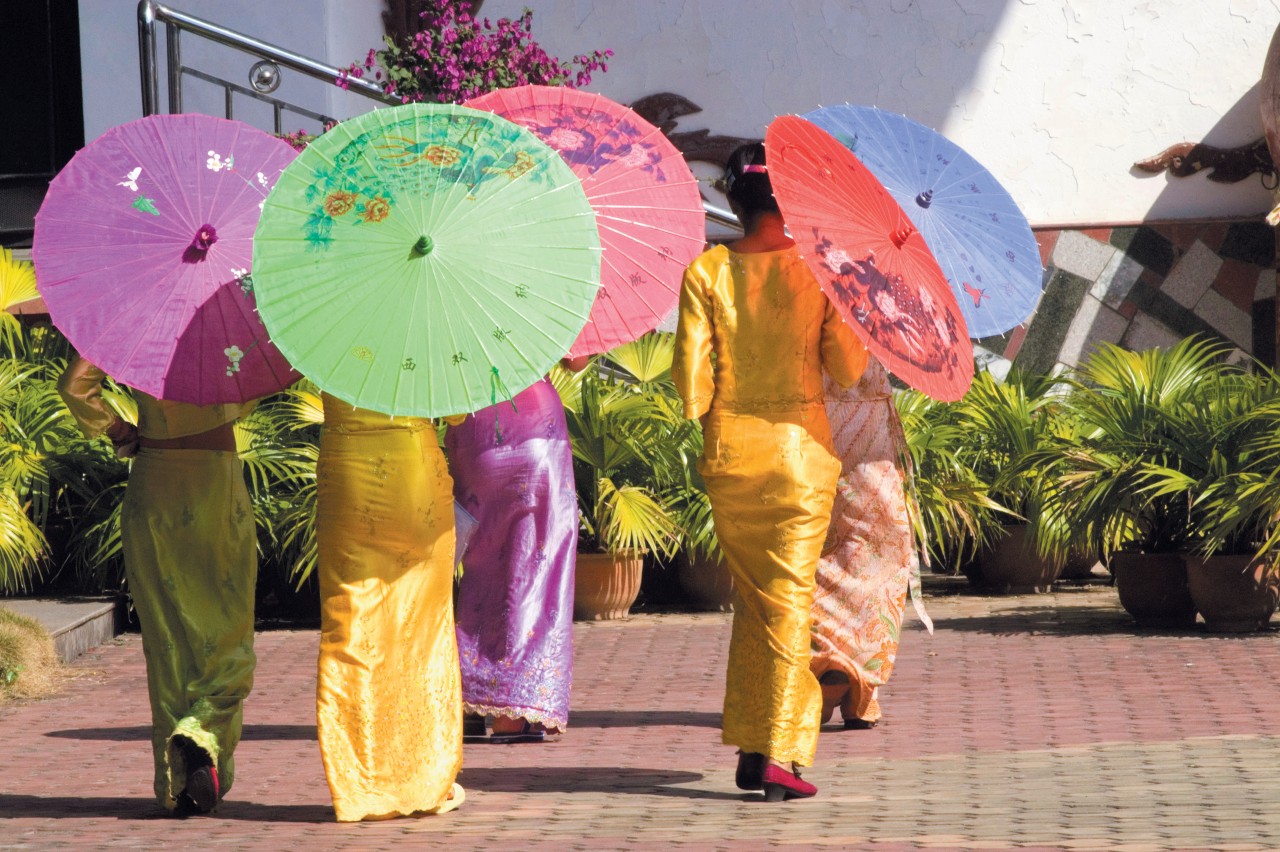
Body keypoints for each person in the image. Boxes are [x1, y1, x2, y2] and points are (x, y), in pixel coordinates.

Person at [672, 142, 868, 803]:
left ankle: (756, 746)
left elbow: (690, 388)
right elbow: (848, 369)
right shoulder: (819, 272)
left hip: (731, 457)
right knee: (786, 606)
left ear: (732, 198)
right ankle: (782, 751)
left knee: (760, 604)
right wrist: (848, 299)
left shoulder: (706, 271)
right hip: (797, 458)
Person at [58, 357, 258, 816]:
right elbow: (254, 390)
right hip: (214, 484)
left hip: (154, 485)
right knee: (227, 635)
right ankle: (198, 730)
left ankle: (179, 781)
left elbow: (73, 385)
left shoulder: (135, 315)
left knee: (167, 642)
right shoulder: (231, 318)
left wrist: (117, 429)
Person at [314, 393, 464, 821]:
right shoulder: (426, 324)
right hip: (414, 470)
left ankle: (357, 785)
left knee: (350, 627)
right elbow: (455, 410)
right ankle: (424, 777)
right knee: (423, 629)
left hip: (346, 468)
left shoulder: (322, 324)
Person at [446, 373, 577, 744]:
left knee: (479, 562)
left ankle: (469, 701)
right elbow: (578, 357)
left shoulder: (448, 313)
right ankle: (512, 711)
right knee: (534, 568)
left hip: (472, 426)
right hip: (536, 427)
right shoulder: (541, 311)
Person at [810, 360, 932, 730]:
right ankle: (847, 677)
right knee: (873, 544)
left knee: (836, 545)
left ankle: (836, 673)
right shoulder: (863, 303)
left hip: (820, 419)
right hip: (843, 422)